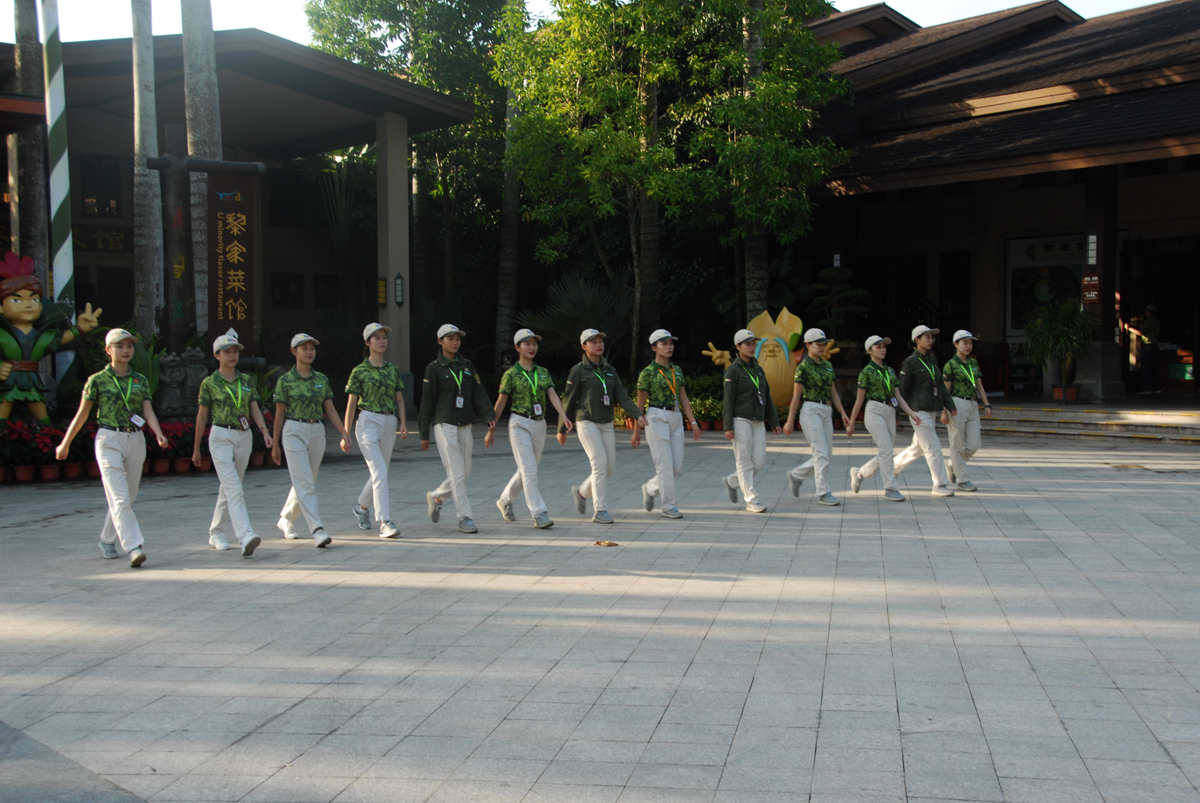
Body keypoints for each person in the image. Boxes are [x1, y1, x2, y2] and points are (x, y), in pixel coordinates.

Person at [55, 328, 169, 568]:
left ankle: (107, 539)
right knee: (118, 496)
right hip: (109, 439)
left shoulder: (140, 380)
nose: (125, 350)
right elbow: (82, 414)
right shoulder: (97, 380)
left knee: (128, 496)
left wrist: (158, 433)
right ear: (108, 350)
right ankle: (134, 546)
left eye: (129, 346)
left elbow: (147, 410)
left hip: (135, 438)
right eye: (119, 346)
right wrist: (65, 442)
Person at [191, 328, 272, 556]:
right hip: (221, 436)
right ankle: (245, 535)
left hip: (243, 435)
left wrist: (264, 431)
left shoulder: (246, 380)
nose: (232, 355)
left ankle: (216, 531)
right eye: (227, 351)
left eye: (235, 351)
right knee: (234, 488)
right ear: (217, 355)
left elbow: (254, 408)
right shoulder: (209, 383)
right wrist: (196, 448)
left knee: (230, 487)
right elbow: (202, 416)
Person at [271, 333, 352, 548]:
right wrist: (275, 443)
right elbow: (279, 414)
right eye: (303, 348)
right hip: (293, 430)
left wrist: (343, 432)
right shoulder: (285, 381)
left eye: (311, 348)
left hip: (317, 429)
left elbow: (330, 408)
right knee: (305, 481)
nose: (308, 352)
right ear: (293, 351)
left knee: (307, 480)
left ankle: (286, 518)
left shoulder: (321, 379)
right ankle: (317, 528)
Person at [486, 328, 570, 529]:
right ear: (517, 347)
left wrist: (563, 415)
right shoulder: (511, 374)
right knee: (530, 470)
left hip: (539, 424)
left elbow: (552, 395)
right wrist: (491, 428)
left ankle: (505, 501)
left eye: (534, 343)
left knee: (527, 471)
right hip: (519, 424)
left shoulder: (543, 372)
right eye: (527, 344)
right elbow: (500, 402)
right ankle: (539, 512)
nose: (532, 347)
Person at [558, 328, 644, 524]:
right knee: (599, 463)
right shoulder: (578, 370)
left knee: (609, 468)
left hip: (606, 423)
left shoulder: (610, 371)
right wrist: (562, 429)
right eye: (593, 341)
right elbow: (568, 401)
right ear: (584, 346)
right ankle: (600, 510)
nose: (598, 345)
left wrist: (637, 415)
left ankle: (581, 493)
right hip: (586, 421)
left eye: (600, 341)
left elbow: (622, 395)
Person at [419, 324, 494, 534]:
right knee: (456, 471)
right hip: (444, 423)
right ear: (440, 341)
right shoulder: (433, 368)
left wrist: (490, 417)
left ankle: (437, 496)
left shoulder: (468, 366)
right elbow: (427, 402)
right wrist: (423, 434)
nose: (454, 342)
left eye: (457, 339)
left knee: (464, 471)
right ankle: (465, 517)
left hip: (466, 423)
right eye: (450, 339)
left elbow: (479, 393)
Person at [344, 323, 408, 539]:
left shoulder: (392, 369)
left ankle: (361, 508)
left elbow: (399, 398)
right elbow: (351, 403)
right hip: (367, 421)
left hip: (389, 421)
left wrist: (403, 423)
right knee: (379, 470)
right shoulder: (359, 371)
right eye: (376, 337)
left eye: (384, 337)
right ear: (367, 342)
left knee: (379, 471)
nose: (382, 341)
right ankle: (385, 521)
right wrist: (345, 433)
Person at [633, 329, 701, 519]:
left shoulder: (676, 370)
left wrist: (693, 421)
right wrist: (636, 431)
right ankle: (668, 505)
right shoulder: (647, 373)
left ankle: (650, 488)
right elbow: (639, 404)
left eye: (671, 343)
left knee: (676, 467)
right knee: (664, 466)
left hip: (676, 417)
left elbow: (684, 397)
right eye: (664, 344)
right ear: (654, 348)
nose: (669, 347)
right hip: (656, 417)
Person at [846, 336, 920, 502]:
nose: (883, 349)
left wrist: (911, 413)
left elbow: (897, 396)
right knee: (886, 450)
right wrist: (851, 422)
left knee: (886, 451)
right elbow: (859, 399)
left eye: (884, 346)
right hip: (874, 410)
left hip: (889, 410)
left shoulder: (890, 371)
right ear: (869, 350)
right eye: (878, 346)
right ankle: (890, 488)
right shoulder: (866, 372)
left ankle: (860, 473)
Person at [783, 328, 851, 506]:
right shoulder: (803, 367)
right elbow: (796, 396)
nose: (822, 347)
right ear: (808, 345)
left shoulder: (828, 366)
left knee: (826, 453)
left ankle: (797, 475)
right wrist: (790, 421)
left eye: (823, 344)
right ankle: (823, 492)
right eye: (818, 344)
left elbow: (833, 392)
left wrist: (843, 413)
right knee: (821, 452)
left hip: (826, 410)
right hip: (810, 409)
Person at [721, 328, 782, 513]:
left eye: (754, 344)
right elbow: (728, 400)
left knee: (759, 461)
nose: (752, 347)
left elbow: (767, 396)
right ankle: (751, 499)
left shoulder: (758, 369)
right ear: (738, 347)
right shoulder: (732, 370)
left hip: (758, 420)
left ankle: (732, 481)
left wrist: (775, 421)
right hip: (740, 419)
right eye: (748, 344)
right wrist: (728, 426)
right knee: (745, 460)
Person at [893, 325, 957, 497]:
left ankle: (891, 469)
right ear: (917, 340)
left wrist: (949, 404)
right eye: (927, 337)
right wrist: (898, 413)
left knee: (917, 448)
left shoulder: (932, 360)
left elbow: (940, 386)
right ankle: (939, 484)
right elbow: (901, 390)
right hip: (917, 411)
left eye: (932, 337)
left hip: (932, 409)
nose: (931, 340)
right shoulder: (910, 363)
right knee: (933, 445)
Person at [942, 330, 991, 492]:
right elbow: (946, 390)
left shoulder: (973, 363)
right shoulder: (950, 365)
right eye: (965, 343)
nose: (968, 346)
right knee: (957, 444)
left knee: (974, 444)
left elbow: (979, 385)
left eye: (970, 343)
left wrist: (987, 404)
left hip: (972, 404)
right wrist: (945, 411)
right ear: (956, 344)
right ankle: (963, 480)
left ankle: (952, 464)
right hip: (956, 403)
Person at [1127, 305, 1161, 394]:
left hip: (1148, 346)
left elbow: (1141, 333)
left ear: (1148, 312)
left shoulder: (1148, 322)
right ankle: (1156, 387)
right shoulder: (1157, 321)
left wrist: (1129, 328)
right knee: (1154, 367)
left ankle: (1147, 388)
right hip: (1155, 346)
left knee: (1147, 368)